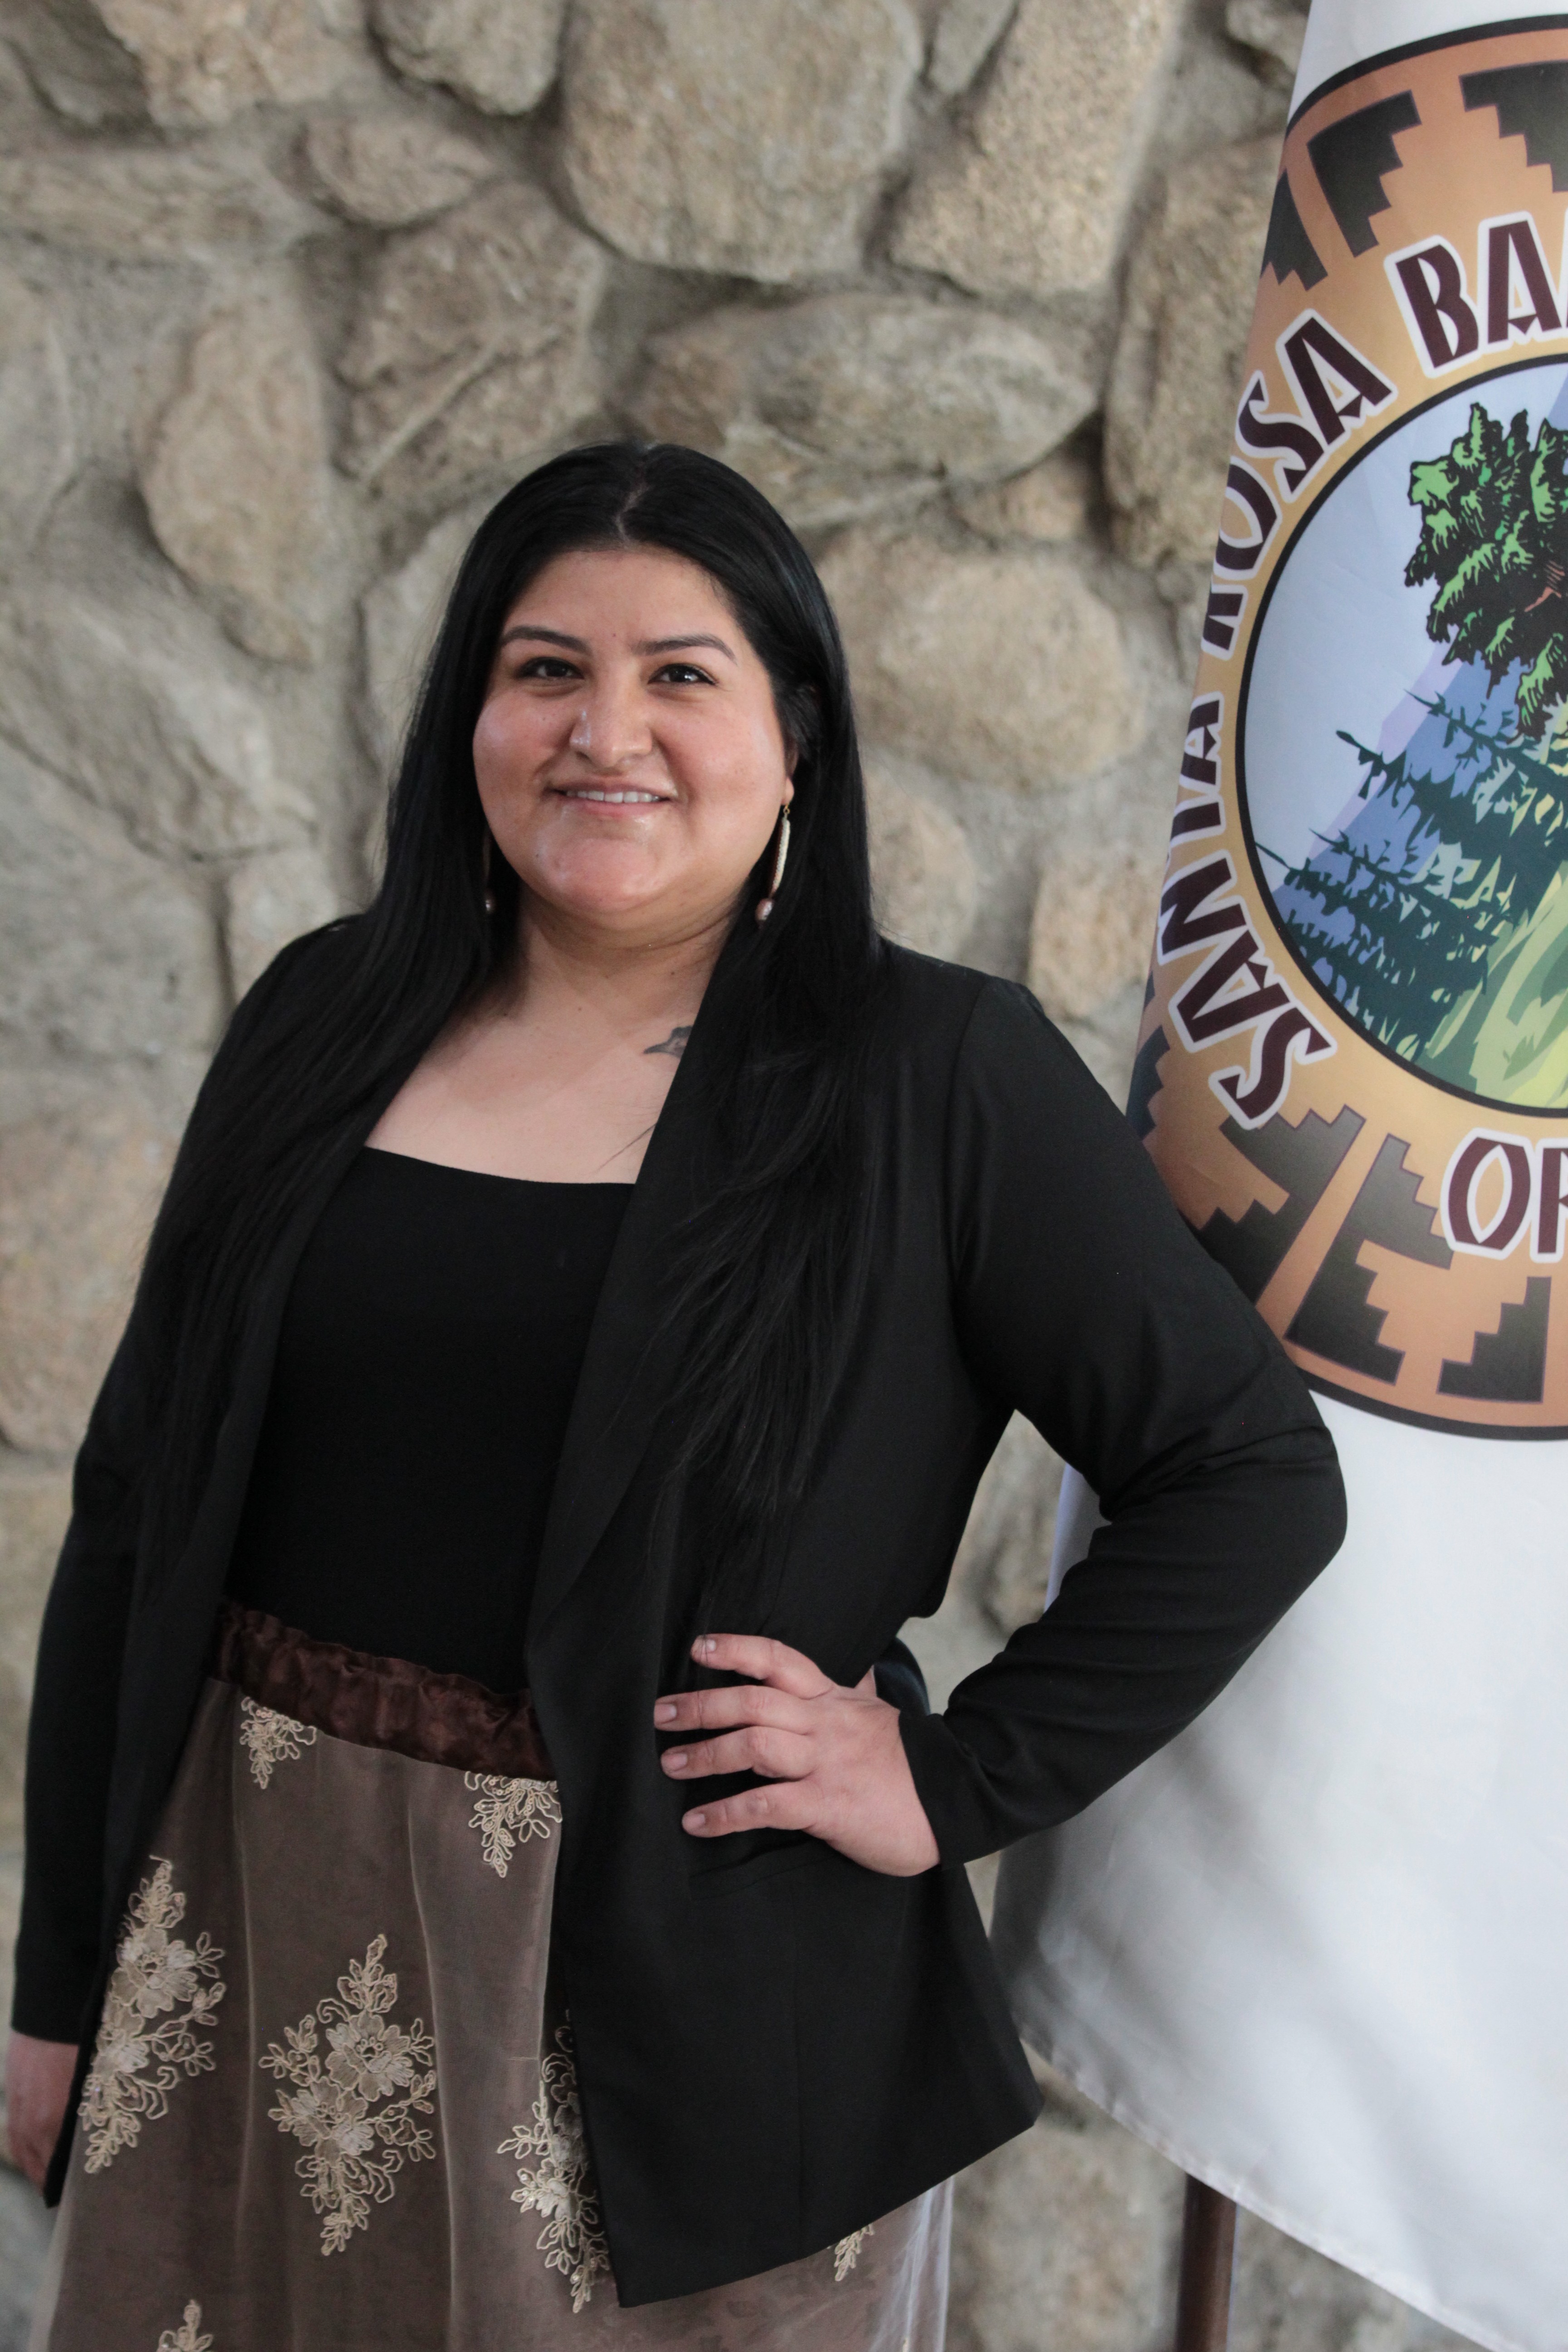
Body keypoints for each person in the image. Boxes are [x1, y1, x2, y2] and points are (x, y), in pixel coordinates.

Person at [7, 441, 1345, 2351]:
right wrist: (61, 1983)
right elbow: (137, 1508)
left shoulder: (931, 1076)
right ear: (470, 716)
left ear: (794, 739)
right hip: (251, 1926)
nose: (603, 730)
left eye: (680, 675)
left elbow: (1248, 1469)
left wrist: (951, 1776)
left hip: (679, 2022)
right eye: (545, 669)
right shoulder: (322, 1016)